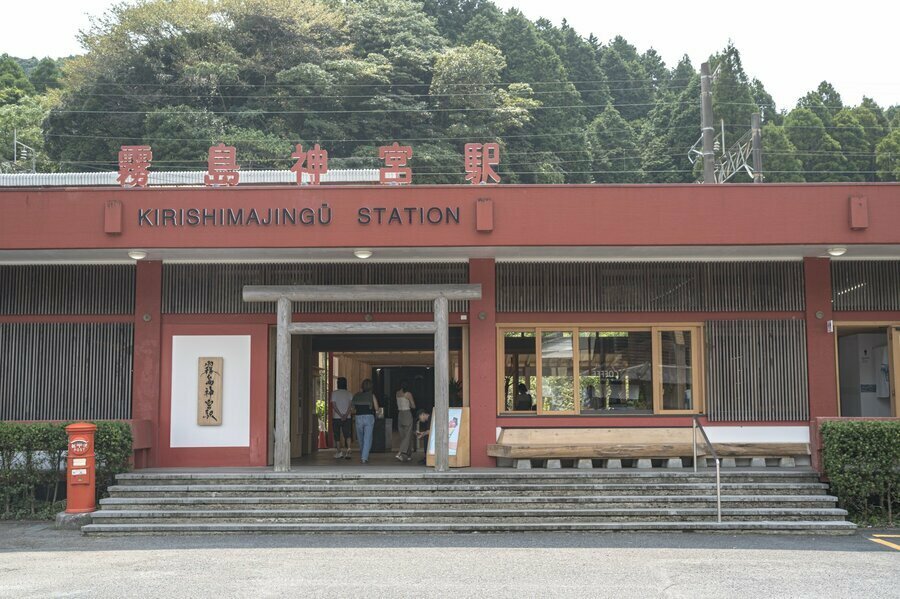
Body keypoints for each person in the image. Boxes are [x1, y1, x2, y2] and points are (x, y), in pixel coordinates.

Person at [351, 378, 379, 464]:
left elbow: (352, 409)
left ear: (362, 386)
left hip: (358, 417)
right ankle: (364, 457)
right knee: (368, 438)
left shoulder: (356, 395)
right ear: (371, 387)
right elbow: (377, 408)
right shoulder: (371, 396)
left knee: (360, 438)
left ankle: (364, 454)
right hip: (369, 417)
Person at [330, 377, 353, 460]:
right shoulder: (349, 393)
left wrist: (340, 414)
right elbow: (350, 406)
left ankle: (339, 452)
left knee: (337, 435)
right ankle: (348, 451)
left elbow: (334, 406)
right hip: (348, 417)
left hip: (336, 417)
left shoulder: (334, 393)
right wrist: (346, 415)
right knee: (347, 434)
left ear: (338, 384)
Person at [395, 380, 416, 462]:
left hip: (400, 414)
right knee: (407, 436)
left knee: (404, 435)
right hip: (407, 414)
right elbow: (413, 406)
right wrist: (410, 404)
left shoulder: (397, 393)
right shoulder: (408, 394)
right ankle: (399, 453)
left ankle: (408, 454)